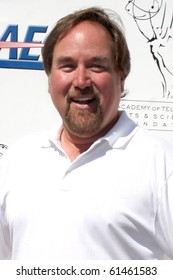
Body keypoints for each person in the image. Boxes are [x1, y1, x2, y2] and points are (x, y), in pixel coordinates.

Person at [0, 7, 173, 260]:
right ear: (49, 79)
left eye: (96, 66)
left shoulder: (163, 164)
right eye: (67, 66)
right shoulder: (17, 160)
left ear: (121, 77)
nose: (81, 81)